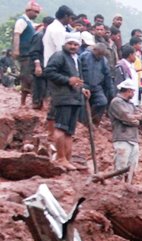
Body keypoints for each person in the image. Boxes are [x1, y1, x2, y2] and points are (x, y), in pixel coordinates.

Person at [44, 32, 88, 171]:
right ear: (65, 44)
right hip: (63, 97)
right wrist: (67, 80)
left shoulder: (77, 59)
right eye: (70, 44)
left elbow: (77, 78)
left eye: (76, 44)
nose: (73, 46)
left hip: (75, 98)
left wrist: (82, 89)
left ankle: (67, 160)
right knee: (61, 128)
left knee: (69, 131)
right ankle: (60, 158)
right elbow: (49, 72)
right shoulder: (59, 56)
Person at [108, 79, 142, 183]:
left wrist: (136, 118)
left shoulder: (130, 104)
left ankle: (127, 189)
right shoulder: (116, 102)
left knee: (132, 169)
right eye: (133, 91)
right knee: (120, 169)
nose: (134, 94)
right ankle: (117, 190)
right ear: (129, 90)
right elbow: (127, 118)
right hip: (122, 138)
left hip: (133, 139)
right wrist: (137, 119)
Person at [13, 1, 42, 106]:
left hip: (29, 55)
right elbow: (17, 35)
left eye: (38, 12)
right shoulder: (22, 21)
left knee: (26, 78)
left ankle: (23, 103)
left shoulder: (28, 22)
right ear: (28, 10)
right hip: (25, 54)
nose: (36, 14)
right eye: (35, 12)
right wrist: (16, 50)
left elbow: (33, 26)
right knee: (28, 78)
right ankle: (32, 102)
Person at [79, 42, 113, 124]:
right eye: (99, 54)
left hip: (97, 87)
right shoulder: (84, 56)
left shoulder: (103, 60)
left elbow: (107, 75)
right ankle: (82, 122)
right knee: (82, 104)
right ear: (94, 50)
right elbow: (77, 70)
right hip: (84, 85)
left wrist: (111, 90)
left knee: (102, 102)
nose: (100, 57)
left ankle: (94, 121)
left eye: (102, 55)